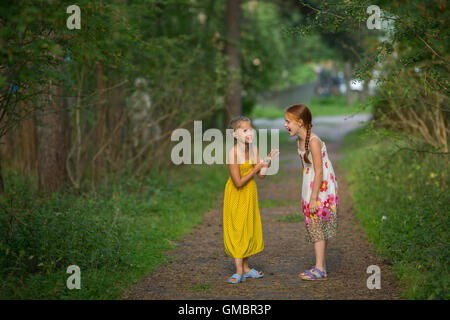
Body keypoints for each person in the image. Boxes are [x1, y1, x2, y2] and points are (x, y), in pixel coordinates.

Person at [284, 104, 339, 280]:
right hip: (310, 185)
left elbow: (319, 171)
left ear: (300, 122)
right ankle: (321, 264)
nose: (285, 125)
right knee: (315, 225)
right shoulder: (300, 141)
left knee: (316, 225)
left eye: (288, 121)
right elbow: (306, 169)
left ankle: (319, 268)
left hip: (321, 187)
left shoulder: (313, 141)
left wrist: (314, 198)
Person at [223, 115, 279, 284]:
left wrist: (267, 162)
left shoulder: (253, 149)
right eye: (245, 130)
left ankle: (246, 268)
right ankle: (239, 271)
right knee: (238, 229)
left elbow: (261, 176)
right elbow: (238, 182)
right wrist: (256, 168)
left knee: (247, 228)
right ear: (235, 135)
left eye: (251, 129)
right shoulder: (232, 153)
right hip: (236, 194)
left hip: (250, 193)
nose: (250, 132)